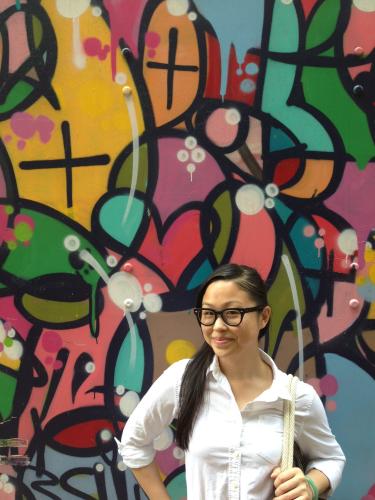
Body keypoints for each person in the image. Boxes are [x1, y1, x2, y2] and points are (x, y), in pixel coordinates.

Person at [117, 263, 346, 499]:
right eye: (208, 313)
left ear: (263, 317)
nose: (217, 327)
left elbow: (330, 458)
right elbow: (134, 442)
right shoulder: (183, 380)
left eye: (232, 313)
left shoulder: (295, 397)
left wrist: (310, 485)